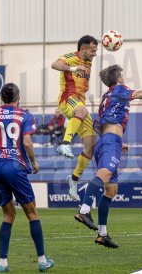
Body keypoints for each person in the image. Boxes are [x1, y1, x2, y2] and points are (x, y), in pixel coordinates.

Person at [74, 64, 142, 248]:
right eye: (122, 76)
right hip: (110, 141)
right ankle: (84, 210)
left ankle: (102, 234)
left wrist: (118, 141)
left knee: (111, 191)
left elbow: (104, 123)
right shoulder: (120, 89)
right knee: (104, 174)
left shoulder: (107, 97)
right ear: (119, 79)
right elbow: (140, 94)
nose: (124, 79)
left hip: (109, 141)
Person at [0, 83, 54, 272]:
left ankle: (2, 263)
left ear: (1, 98)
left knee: (8, 214)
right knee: (32, 212)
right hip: (14, 165)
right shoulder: (25, 116)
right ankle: (42, 260)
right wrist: (34, 163)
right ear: (18, 96)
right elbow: (27, 141)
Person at [51, 35, 98, 200]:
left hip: (80, 104)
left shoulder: (89, 62)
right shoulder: (70, 58)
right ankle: (65, 143)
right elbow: (54, 64)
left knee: (91, 146)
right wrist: (72, 69)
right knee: (83, 111)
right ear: (83, 49)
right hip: (67, 99)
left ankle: (74, 179)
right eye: (93, 51)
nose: (95, 54)